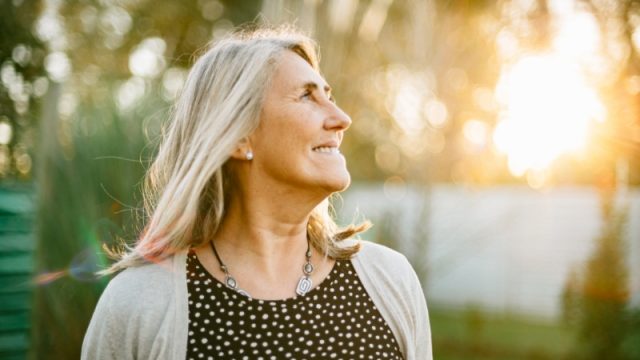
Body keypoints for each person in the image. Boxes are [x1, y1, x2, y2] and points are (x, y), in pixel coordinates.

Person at [82, 25, 432, 360]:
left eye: (329, 95)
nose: (341, 118)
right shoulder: (139, 304)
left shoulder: (389, 280)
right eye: (307, 96)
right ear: (239, 136)